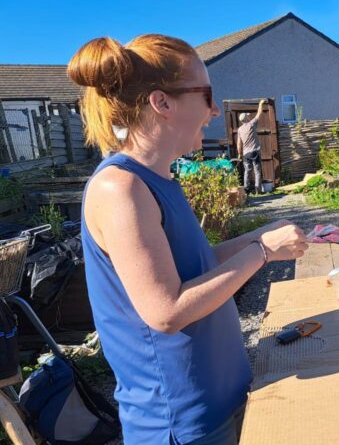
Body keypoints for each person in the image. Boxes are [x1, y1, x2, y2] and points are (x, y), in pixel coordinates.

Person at [69, 34, 308, 444]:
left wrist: (258, 235)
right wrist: (262, 252)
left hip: (217, 401)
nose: (214, 111)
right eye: (207, 94)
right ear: (162, 103)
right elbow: (166, 310)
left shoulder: (157, 179)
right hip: (180, 423)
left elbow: (193, 266)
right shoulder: (120, 188)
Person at [236, 100, 265, 194]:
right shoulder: (251, 125)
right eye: (248, 116)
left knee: (247, 171)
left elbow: (239, 143)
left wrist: (239, 154)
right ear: (246, 118)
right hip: (255, 152)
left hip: (246, 154)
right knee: (257, 171)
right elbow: (259, 113)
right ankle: (258, 190)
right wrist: (260, 104)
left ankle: (246, 191)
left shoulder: (240, 130)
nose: (249, 116)